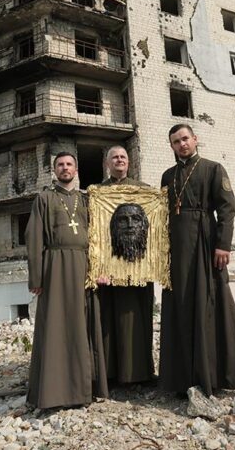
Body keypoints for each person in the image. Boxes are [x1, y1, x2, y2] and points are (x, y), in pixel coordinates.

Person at [159, 124, 235, 396]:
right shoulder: (167, 175)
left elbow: (227, 208)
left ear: (195, 139)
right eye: (176, 141)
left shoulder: (213, 169)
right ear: (172, 146)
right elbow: (161, 213)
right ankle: (181, 377)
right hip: (176, 247)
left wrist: (223, 244)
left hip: (204, 241)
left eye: (185, 138)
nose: (182, 144)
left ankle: (215, 374)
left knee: (209, 301)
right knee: (181, 303)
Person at [26, 152, 108, 409]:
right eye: (60, 165)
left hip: (84, 266)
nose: (65, 168)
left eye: (69, 164)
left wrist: (100, 269)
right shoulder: (44, 198)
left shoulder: (86, 199)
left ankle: (85, 389)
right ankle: (54, 391)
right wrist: (37, 276)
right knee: (56, 326)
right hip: (55, 268)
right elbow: (34, 238)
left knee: (83, 325)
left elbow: (98, 237)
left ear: (76, 168)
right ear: (54, 170)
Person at [97, 146, 156, 385]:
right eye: (114, 157)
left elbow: (155, 226)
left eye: (123, 157)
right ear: (107, 164)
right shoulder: (98, 193)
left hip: (140, 268)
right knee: (109, 321)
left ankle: (141, 373)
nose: (119, 160)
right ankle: (111, 374)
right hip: (109, 269)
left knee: (139, 318)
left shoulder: (143, 191)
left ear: (128, 162)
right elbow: (96, 233)